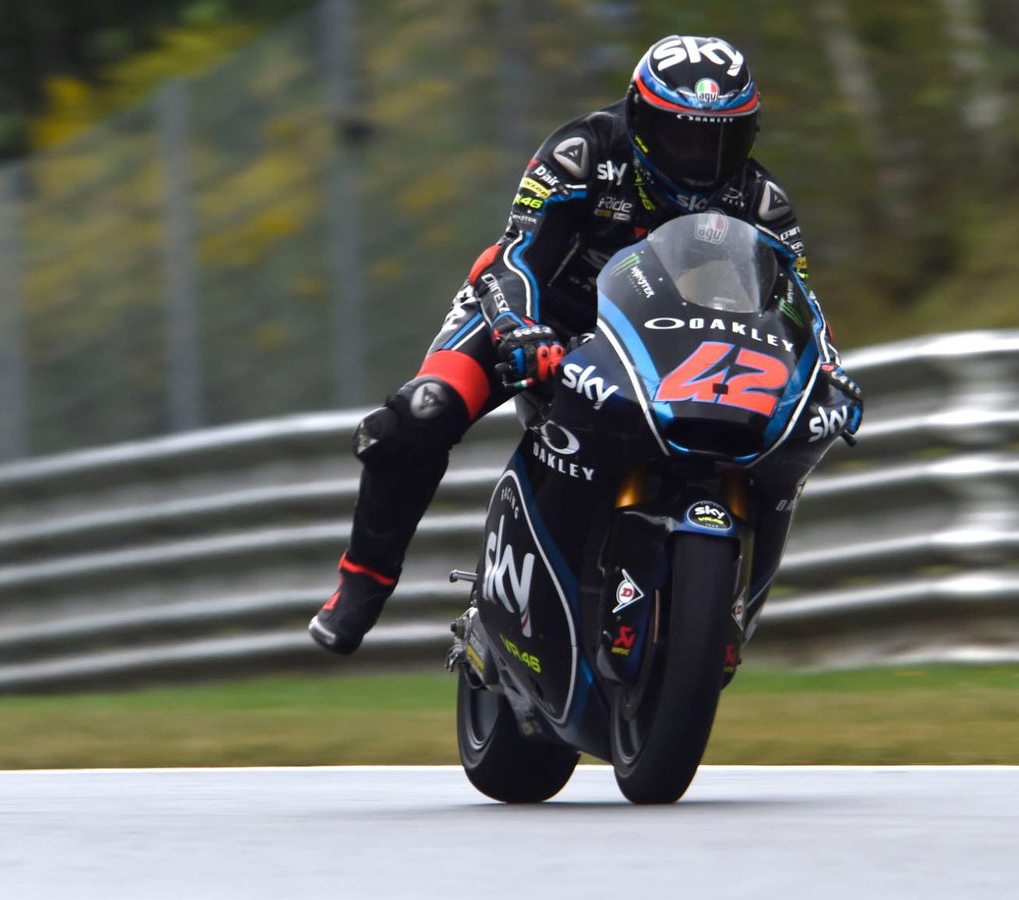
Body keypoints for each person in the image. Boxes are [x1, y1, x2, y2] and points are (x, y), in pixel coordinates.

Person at [309, 34, 862, 654]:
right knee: (422, 412)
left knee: (760, 437)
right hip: (537, 311)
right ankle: (363, 584)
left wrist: (830, 373)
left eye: (721, 140)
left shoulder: (760, 201)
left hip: (663, 340)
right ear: (640, 118)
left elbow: (798, 304)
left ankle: (715, 617)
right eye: (682, 137)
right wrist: (519, 327)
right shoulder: (583, 153)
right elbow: (517, 254)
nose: (702, 161)